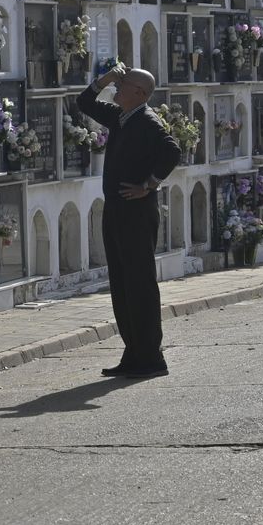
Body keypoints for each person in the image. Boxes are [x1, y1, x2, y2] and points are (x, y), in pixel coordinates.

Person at [76, 64, 179, 378]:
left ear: (139, 93)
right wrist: (104, 79)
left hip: (137, 212)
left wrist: (149, 184)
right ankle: (133, 352)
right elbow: (84, 103)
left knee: (139, 283)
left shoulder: (147, 121)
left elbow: (172, 151)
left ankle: (151, 358)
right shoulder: (122, 117)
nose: (116, 89)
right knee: (121, 284)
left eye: (123, 85)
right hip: (117, 210)